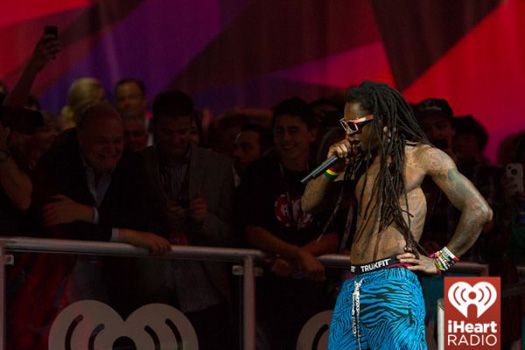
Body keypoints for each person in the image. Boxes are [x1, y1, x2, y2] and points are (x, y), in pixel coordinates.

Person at [301, 81, 492, 349]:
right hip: (354, 283)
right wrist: (333, 165)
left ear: (382, 120)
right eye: (345, 126)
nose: (349, 135)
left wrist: (440, 262)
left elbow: (479, 210)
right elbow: (309, 204)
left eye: (355, 126)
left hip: (392, 280)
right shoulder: (361, 164)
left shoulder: (423, 156)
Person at [237, 97, 339, 349]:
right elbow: (253, 231)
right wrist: (298, 255)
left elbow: (333, 235)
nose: (286, 139)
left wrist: (299, 256)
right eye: (279, 131)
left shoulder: (325, 175)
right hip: (265, 292)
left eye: (293, 131)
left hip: (310, 295)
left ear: (312, 134)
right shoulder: (259, 172)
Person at [140, 90, 235, 350]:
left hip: (206, 292)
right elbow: (128, 220)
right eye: (168, 132)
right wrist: (159, 218)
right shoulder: (139, 164)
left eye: (182, 132)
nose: (175, 140)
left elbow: (231, 233)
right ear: (154, 127)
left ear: (192, 126)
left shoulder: (218, 166)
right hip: (153, 287)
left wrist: (205, 220)